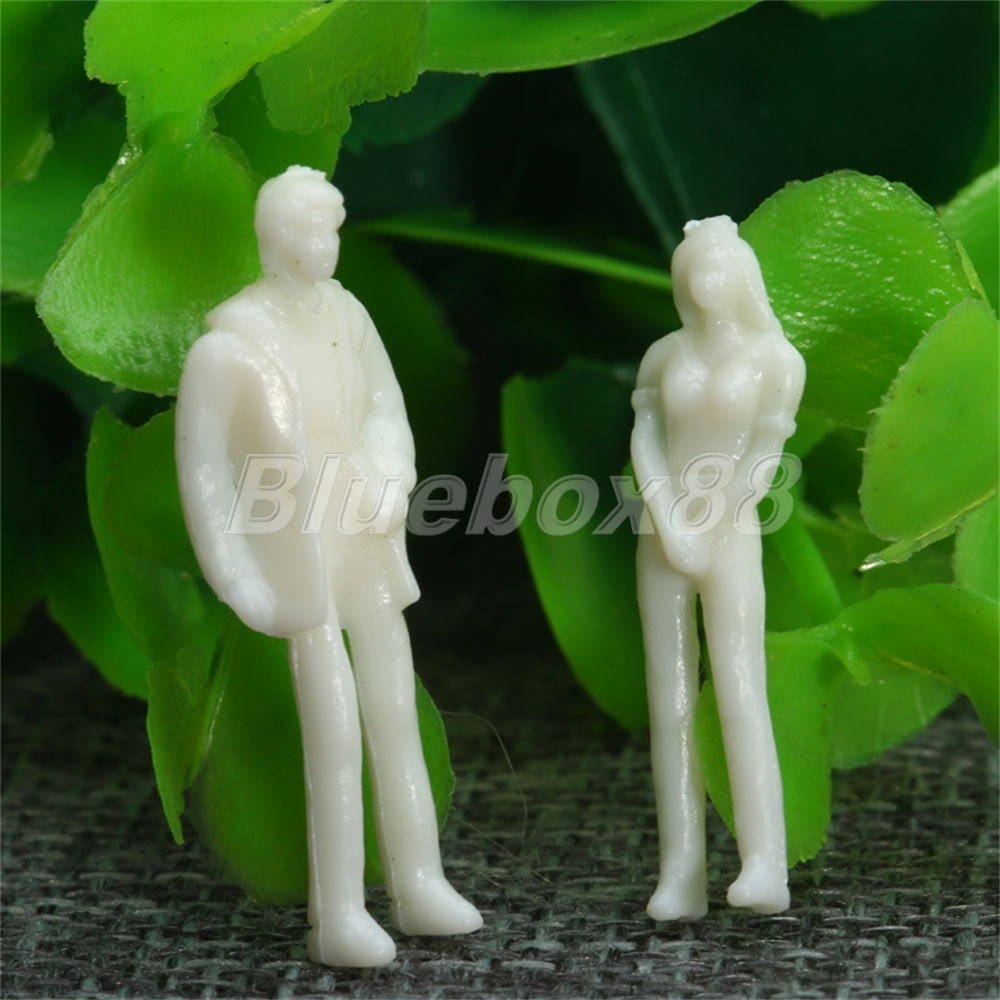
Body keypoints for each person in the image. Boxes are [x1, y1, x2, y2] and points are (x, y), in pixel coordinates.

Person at [175, 166, 482, 967]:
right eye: (310, 230)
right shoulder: (229, 346)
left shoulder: (348, 313)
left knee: (393, 712)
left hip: (361, 533)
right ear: (274, 237)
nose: (325, 244)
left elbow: (384, 408)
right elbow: (205, 477)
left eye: (332, 228)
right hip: (293, 551)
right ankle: (339, 911)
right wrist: (241, 582)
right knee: (333, 728)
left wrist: (390, 475)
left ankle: (419, 882)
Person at [631, 216, 806, 920]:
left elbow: (763, 459)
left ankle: (764, 862)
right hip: (662, 531)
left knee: (739, 688)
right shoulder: (663, 354)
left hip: (731, 533)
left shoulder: (777, 361)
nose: (705, 283)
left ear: (741, 276)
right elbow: (646, 439)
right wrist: (670, 517)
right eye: (693, 269)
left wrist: (711, 522)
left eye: (717, 268)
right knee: (670, 701)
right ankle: (681, 871)